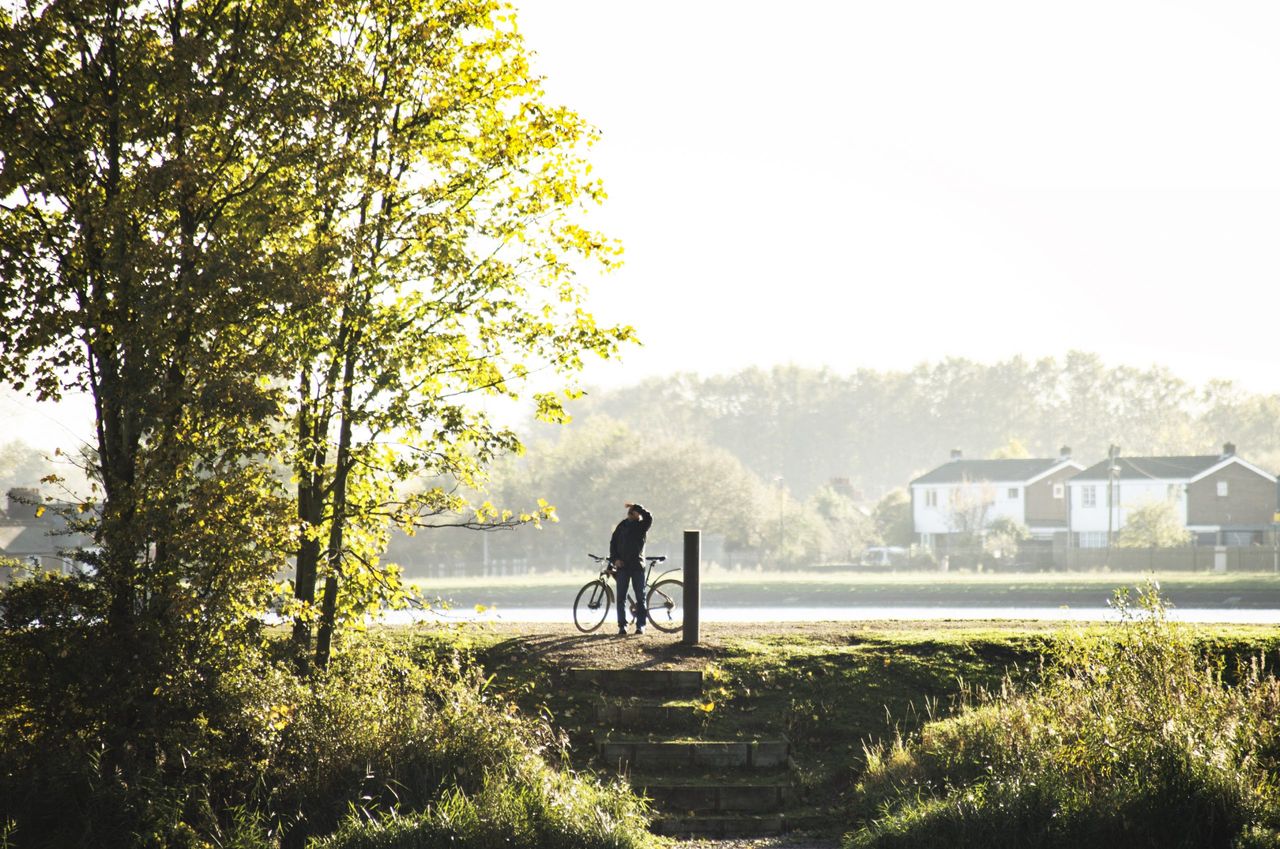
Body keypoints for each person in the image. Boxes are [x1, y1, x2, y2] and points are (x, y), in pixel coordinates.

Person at [609, 502, 653, 635]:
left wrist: (638, 506)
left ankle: (641, 626)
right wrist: (615, 560)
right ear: (630, 514)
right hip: (623, 567)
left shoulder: (642, 526)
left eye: (638, 513)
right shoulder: (621, 526)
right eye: (635, 513)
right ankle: (622, 626)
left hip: (637, 566)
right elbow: (613, 544)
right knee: (621, 597)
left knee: (640, 597)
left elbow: (649, 517)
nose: (638, 515)